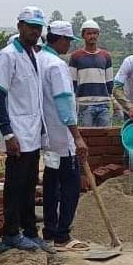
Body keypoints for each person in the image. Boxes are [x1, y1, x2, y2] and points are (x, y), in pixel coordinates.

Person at [0, 6, 49, 253]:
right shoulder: (8, 56)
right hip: (17, 132)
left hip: (32, 130)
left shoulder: (32, 54)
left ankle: (30, 231)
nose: (35, 31)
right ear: (20, 26)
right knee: (15, 185)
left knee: (29, 184)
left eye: (38, 28)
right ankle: (11, 234)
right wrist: (7, 133)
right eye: (31, 27)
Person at [38, 21, 90, 250]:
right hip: (61, 138)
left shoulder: (38, 59)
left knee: (51, 183)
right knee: (71, 186)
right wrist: (77, 137)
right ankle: (63, 236)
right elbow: (64, 102)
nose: (69, 45)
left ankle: (49, 230)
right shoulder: (56, 65)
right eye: (68, 40)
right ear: (59, 39)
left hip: (46, 138)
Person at [70, 19, 114, 127]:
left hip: (103, 104)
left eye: (95, 33)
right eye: (89, 33)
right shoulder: (76, 56)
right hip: (84, 104)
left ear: (98, 35)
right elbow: (72, 83)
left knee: (105, 134)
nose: (92, 36)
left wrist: (112, 101)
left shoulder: (105, 56)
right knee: (86, 134)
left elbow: (109, 82)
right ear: (83, 35)